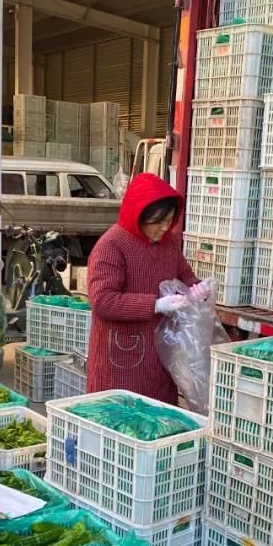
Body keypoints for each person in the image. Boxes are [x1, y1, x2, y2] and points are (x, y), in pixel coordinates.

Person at [85, 173, 212, 404]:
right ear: (139, 215)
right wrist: (155, 304)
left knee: (161, 417)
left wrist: (197, 290)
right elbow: (103, 301)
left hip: (162, 355)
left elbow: (185, 276)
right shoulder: (111, 246)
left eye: (169, 220)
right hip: (121, 358)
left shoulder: (169, 243)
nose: (165, 227)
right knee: (122, 418)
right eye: (158, 221)